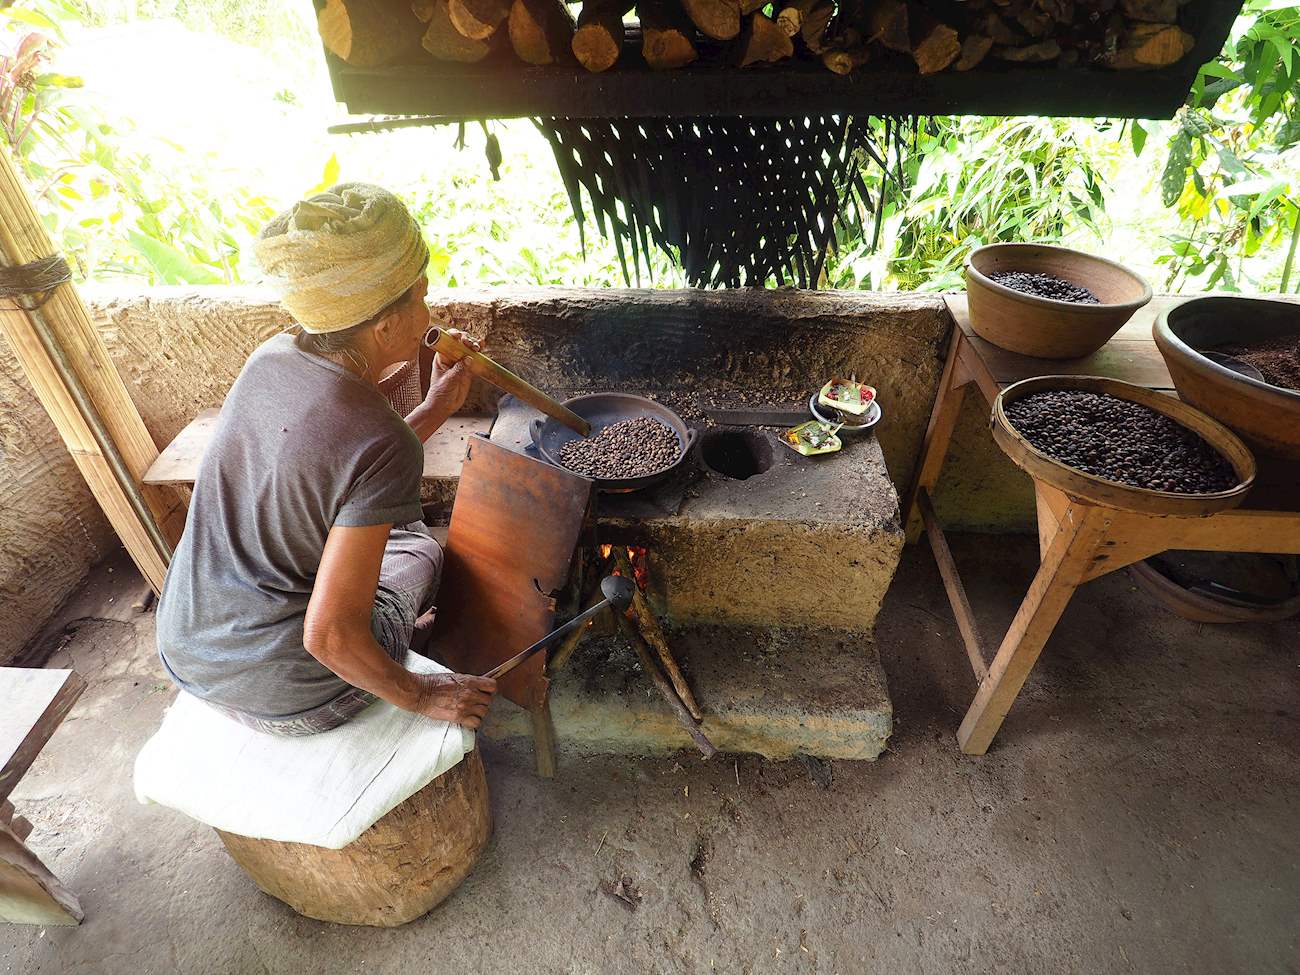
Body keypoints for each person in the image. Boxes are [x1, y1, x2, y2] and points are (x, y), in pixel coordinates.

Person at [155, 183, 496, 736]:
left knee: (389, 526)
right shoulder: (383, 444)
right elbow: (328, 637)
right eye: (422, 293)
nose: (429, 305)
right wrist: (421, 694)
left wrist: (434, 408)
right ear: (385, 326)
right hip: (291, 693)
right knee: (420, 553)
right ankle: (403, 651)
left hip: (190, 651)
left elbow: (346, 464)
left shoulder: (268, 359)